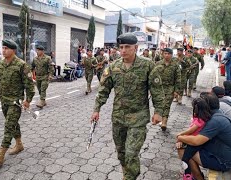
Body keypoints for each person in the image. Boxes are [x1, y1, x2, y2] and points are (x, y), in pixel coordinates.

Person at [90, 33, 165, 180]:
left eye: (127, 47)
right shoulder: (113, 67)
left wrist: (158, 112)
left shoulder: (147, 65)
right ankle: (127, 172)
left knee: (131, 153)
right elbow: (103, 90)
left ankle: (130, 177)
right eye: (121, 47)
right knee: (121, 153)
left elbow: (157, 90)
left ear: (136, 48)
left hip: (138, 117)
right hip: (118, 117)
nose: (123, 50)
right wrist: (96, 109)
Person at [0, 39, 35, 166]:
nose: (3, 50)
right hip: (4, 101)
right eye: (3, 48)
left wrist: (28, 100)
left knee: (8, 126)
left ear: (13, 50)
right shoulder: (0, 65)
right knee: (13, 124)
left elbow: (29, 85)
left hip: (15, 102)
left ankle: (0, 155)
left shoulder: (21, 65)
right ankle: (19, 145)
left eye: (6, 48)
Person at [177, 93, 231, 180]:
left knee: (184, 149)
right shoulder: (215, 115)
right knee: (186, 145)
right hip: (219, 153)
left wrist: (180, 137)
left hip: (223, 162)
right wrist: (183, 138)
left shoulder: (216, 120)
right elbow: (195, 132)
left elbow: (196, 141)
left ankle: (197, 177)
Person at [176, 98, 211, 179]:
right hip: (193, 140)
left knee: (185, 158)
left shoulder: (199, 121)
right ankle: (190, 175)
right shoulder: (203, 118)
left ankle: (188, 175)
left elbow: (190, 131)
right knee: (186, 158)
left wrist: (180, 135)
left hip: (194, 142)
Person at [155, 48, 181, 131]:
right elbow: (153, 76)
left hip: (170, 89)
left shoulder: (175, 65)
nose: (166, 55)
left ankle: (164, 122)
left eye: (168, 54)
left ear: (171, 54)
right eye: (165, 53)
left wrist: (176, 91)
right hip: (159, 89)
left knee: (166, 106)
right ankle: (159, 119)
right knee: (159, 105)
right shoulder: (158, 64)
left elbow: (178, 78)